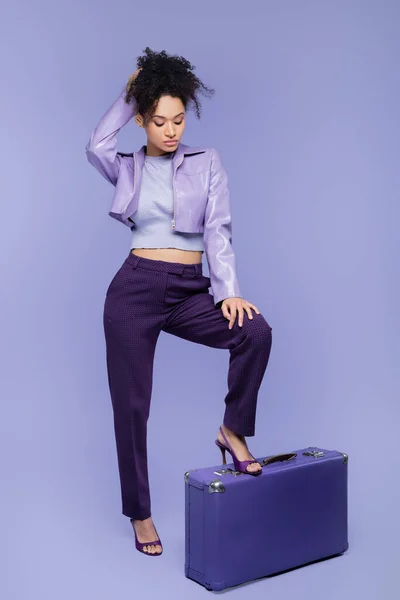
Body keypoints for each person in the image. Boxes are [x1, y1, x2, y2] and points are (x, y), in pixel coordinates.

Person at [85, 47, 272, 557]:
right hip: (135, 289)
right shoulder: (125, 166)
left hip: (192, 290)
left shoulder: (205, 162)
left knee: (255, 332)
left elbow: (218, 230)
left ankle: (232, 431)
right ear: (143, 120)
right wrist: (130, 95)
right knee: (131, 407)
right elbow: (96, 142)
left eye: (179, 119)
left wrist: (227, 292)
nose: (171, 130)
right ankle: (140, 513)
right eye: (159, 121)